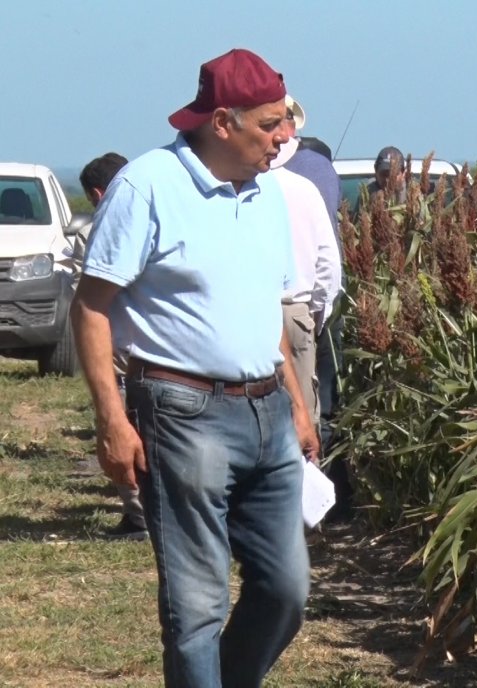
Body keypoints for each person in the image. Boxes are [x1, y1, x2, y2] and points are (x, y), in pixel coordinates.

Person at [71, 48, 317, 687]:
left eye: (286, 121)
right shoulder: (148, 186)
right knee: (197, 607)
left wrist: (294, 400)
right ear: (223, 123)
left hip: (267, 411)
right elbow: (91, 309)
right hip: (184, 413)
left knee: (287, 590)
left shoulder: (266, 193)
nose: (284, 136)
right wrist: (112, 421)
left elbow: (267, 309)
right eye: (271, 124)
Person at [76, 152, 148, 541]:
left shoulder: (113, 226)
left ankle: (140, 516)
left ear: (99, 193)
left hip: (124, 349)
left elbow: (91, 302)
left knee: (124, 426)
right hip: (157, 355)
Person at [270, 95, 342, 431]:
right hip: (297, 308)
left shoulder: (233, 177)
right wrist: (318, 313)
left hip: (249, 310)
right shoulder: (313, 175)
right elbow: (328, 263)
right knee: (303, 420)